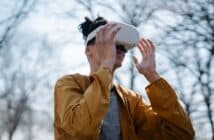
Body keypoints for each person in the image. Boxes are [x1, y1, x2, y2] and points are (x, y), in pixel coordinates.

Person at [53, 17, 195, 140]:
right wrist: (106, 64)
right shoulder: (68, 84)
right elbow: (80, 132)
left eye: (123, 46)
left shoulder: (131, 100)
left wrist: (153, 77)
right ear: (88, 50)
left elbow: (181, 134)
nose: (120, 48)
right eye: (111, 42)